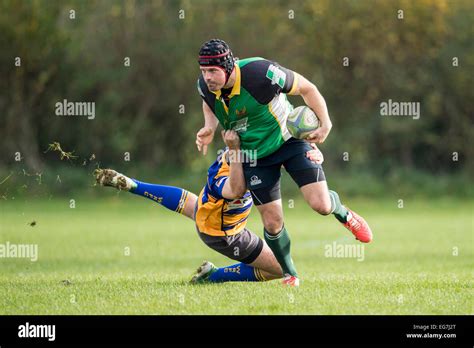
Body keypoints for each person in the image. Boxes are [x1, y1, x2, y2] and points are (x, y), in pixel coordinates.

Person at [195, 38, 373, 286]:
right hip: (254, 156)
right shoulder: (206, 86)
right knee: (272, 221)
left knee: (321, 205)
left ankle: (343, 213)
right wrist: (209, 127)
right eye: (203, 71)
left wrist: (326, 124)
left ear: (228, 66)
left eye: (213, 71)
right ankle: (291, 274)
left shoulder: (260, 73)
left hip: (289, 141)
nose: (208, 77)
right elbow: (208, 103)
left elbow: (307, 89)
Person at [94, 130, 324, 285]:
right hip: (225, 235)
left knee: (192, 204)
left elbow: (278, 154)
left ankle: (135, 185)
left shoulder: (238, 156)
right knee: (279, 268)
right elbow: (235, 190)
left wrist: (308, 152)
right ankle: (214, 276)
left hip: (208, 211)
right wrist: (235, 150)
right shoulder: (226, 173)